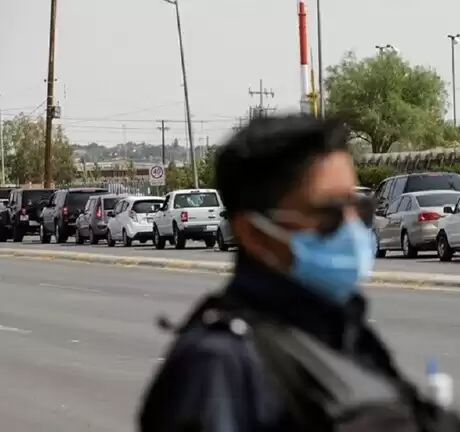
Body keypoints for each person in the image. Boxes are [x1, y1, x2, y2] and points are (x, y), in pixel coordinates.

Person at [138, 115, 427, 431]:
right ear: (254, 233)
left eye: (359, 209)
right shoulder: (219, 366)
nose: (351, 228)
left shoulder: (343, 332)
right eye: (328, 214)